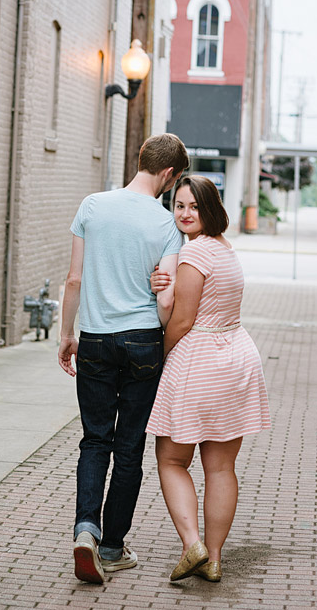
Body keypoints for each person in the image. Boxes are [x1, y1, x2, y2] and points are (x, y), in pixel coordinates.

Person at [58, 133, 190, 584]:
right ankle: (112, 548)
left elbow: (74, 280)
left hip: (93, 338)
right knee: (128, 448)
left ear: (141, 160)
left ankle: (85, 531)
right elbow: (166, 302)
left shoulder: (92, 205)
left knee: (94, 440)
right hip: (142, 342)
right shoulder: (166, 225)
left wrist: (65, 334)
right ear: (170, 174)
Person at [145, 176, 270, 582]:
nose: (184, 214)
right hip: (236, 358)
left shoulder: (194, 253)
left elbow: (182, 320)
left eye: (193, 206)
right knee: (220, 468)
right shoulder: (224, 249)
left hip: (199, 361)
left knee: (171, 459)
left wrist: (159, 357)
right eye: (178, 205)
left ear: (209, 208)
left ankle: (192, 545)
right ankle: (214, 559)